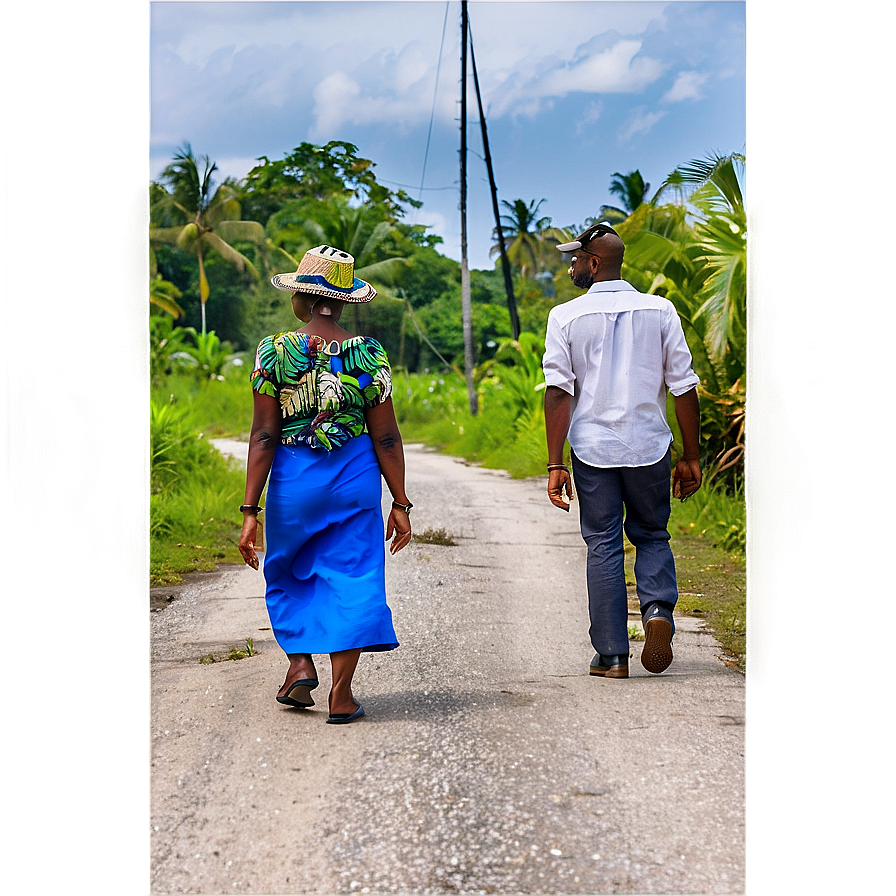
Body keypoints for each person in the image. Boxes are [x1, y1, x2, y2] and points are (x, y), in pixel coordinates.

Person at [238, 245, 413, 724]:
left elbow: (264, 434)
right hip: (354, 475)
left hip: (295, 478)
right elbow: (387, 436)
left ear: (302, 299)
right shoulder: (369, 353)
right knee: (354, 574)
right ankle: (341, 693)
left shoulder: (274, 351)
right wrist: (401, 501)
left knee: (291, 568)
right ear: (344, 299)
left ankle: (299, 665)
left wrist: (249, 511)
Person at [542, 222, 702, 678]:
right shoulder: (660, 310)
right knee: (652, 534)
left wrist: (555, 463)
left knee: (603, 544)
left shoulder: (565, 317)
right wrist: (691, 455)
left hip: (593, 450)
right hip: (650, 445)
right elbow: (684, 386)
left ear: (595, 264)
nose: (572, 265)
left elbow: (558, 391)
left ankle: (612, 655)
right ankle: (656, 614)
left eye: (576, 259)